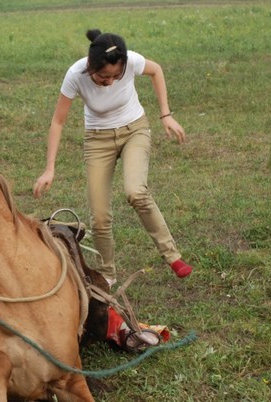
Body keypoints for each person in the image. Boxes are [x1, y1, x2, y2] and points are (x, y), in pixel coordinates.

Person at [33, 29, 193, 288]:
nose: (109, 82)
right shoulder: (76, 75)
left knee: (136, 192)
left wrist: (166, 114)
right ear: (89, 66)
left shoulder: (130, 61)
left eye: (115, 77)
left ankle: (172, 256)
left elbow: (156, 70)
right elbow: (58, 121)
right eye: (103, 77)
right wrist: (50, 168)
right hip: (98, 140)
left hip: (135, 130)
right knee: (99, 215)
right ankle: (107, 273)